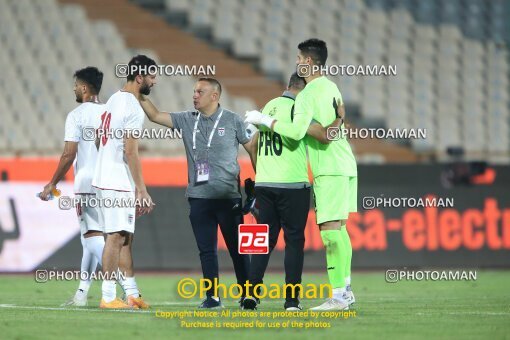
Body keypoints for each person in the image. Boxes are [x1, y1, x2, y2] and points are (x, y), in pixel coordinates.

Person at [245, 38, 357, 311]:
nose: (296, 62)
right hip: (344, 165)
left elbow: (297, 132)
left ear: (308, 62)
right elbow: (329, 131)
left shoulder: (305, 95)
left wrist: (264, 120)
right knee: (339, 231)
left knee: (329, 231)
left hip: (326, 169)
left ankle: (339, 296)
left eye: (298, 58)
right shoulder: (332, 87)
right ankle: (344, 289)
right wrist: (340, 120)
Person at [139, 77, 255, 308]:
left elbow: (252, 147)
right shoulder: (186, 118)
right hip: (199, 197)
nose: (194, 95)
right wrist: (138, 92)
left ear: (214, 96)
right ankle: (212, 296)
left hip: (228, 197)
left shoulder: (232, 120)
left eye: (199, 92)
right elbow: (155, 115)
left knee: (237, 250)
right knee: (206, 250)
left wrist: (259, 182)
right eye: (194, 91)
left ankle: (247, 295)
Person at [241, 73, 310, 311]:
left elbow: (254, 142)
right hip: (292, 184)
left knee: (263, 242)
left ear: (288, 85)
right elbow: (295, 136)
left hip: (265, 184)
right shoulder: (299, 108)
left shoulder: (269, 105)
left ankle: (250, 294)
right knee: (294, 242)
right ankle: (291, 300)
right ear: (304, 88)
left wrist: (261, 173)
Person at [92, 55, 155, 309]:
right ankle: (108, 296)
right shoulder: (132, 107)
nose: (155, 81)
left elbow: (98, 137)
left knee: (125, 237)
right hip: (116, 182)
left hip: (107, 179)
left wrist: (106, 160)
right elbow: (131, 151)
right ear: (139, 77)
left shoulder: (113, 100)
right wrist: (142, 189)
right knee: (116, 238)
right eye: (152, 76)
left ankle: (131, 293)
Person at [39, 67, 105, 307]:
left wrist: (52, 183)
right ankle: (81, 294)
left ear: (85, 88)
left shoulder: (77, 115)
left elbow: (69, 154)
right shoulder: (111, 112)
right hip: (111, 181)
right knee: (89, 237)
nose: (74, 88)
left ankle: (127, 284)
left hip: (87, 181)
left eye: (76, 85)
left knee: (92, 236)